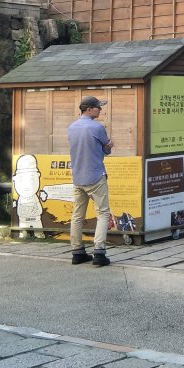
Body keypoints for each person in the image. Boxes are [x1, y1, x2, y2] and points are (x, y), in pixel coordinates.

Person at [68, 95, 114, 267]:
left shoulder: (71, 127)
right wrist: (109, 146)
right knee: (103, 213)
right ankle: (99, 252)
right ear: (89, 109)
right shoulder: (97, 127)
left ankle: (77, 251)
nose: (100, 110)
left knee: (77, 215)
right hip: (95, 175)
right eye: (97, 107)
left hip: (78, 177)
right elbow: (106, 149)